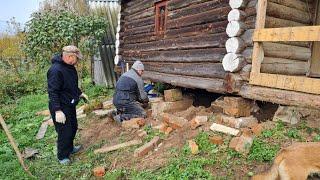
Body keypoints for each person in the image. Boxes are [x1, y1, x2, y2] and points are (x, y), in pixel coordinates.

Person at [47, 45, 89, 165]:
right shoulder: (56, 70)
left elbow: (71, 85)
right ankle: (62, 156)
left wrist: (80, 93)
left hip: (70, 104)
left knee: (73, 127)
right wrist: (57, 110)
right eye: (77, 58)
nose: (77, 61)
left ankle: (70, 148)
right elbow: (53, 92)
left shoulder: (69, 67)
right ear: (70, 56)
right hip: (61, 106)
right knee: (64, 132)